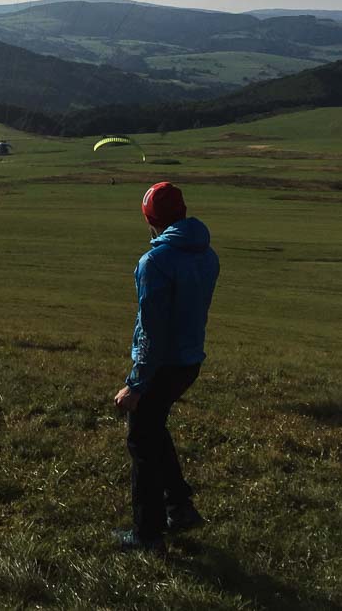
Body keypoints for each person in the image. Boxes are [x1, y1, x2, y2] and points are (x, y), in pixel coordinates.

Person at [113, 183, 220, 552]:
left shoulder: (154, 262)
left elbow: (151, 331)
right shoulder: (207, 254)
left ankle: (147, 533)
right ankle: (180, 507)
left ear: (150, 220)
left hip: (162, 365)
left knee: (141, 440)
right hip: (189, 361)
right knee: (154, 429)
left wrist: (136, 384)